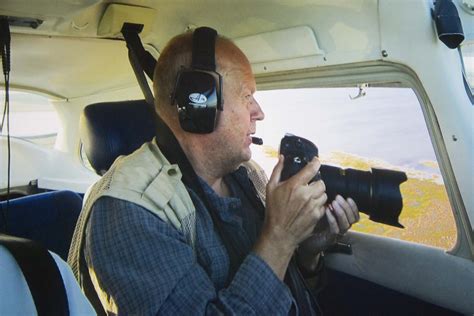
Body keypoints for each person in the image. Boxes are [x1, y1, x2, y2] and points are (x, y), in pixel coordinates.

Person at [68, 27, 359, 315]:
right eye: (247, 96)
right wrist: (280, 236)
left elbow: (282, 292)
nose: (259, 112)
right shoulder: (128, 211)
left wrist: (306, 252)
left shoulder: (249, 175)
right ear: (199, 103)